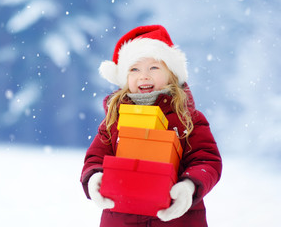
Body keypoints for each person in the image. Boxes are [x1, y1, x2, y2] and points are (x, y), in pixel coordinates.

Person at [80, 25, 222, 227]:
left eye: (153, 68)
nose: (144, 76)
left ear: (171, 74)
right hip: (121, 218)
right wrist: (95, 178)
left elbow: (207, 160)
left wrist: (189, 187)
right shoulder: (113, 120)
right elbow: (95, 157)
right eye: (134, 69)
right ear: (124, 78)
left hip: (179, 220)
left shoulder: (189, 118)